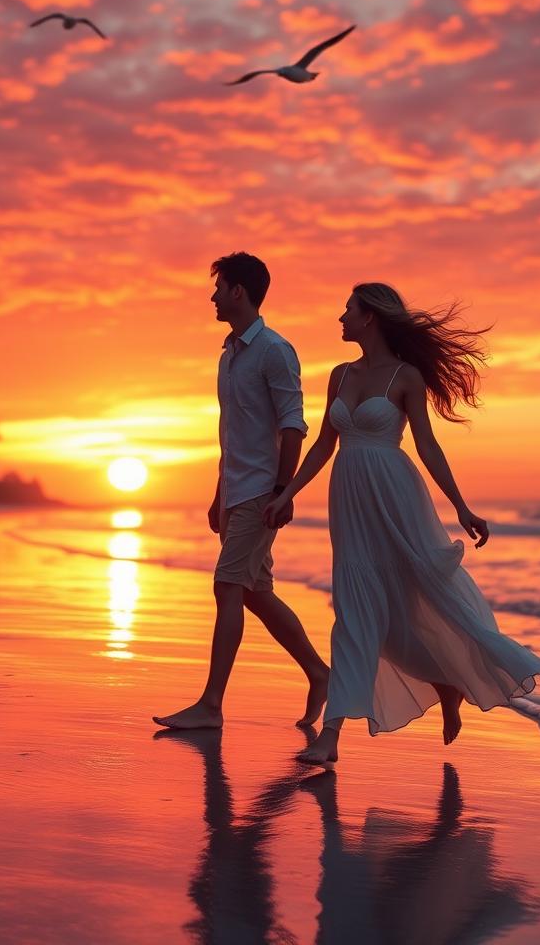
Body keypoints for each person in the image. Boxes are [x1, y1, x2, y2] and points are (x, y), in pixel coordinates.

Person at [264, 283, 540, 764]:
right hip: (349, 497)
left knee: (410, 604)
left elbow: (428, 446)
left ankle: (441, 684)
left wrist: (461, 506)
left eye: (348, 309)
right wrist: (287, 492)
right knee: (355, 608)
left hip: (396, 497)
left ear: (370, 317)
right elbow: (323, 446)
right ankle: (393, 708)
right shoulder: (338, 375)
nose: (341, 317)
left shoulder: (406, 376)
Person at [154, 252, 330, 730]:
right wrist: (218, 491)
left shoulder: (275, 351)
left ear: (238, 291)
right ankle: (319, 673)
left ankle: (211, 706)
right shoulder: (228, 355)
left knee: (227, 585)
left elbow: (294, 426)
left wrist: (283, 491)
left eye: (219, 287)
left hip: (261, 493)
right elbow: (231, 430)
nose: (212, 296)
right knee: (255, 591)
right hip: (236, 490)